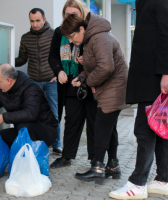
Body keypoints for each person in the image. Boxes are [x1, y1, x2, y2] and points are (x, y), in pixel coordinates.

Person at [109, 0, 168, 199]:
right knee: (160, 128)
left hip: (155, 76)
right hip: (151, 74)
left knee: (144, 129)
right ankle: (164, 180)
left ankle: (137, 183)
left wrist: (167, 72)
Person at [61, 13, 129, 184]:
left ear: (82, 29)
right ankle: (113, 166)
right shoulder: (91, 39)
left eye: (72, 36)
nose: (71, 41)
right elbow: (95, 65)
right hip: (109, 88)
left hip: (114, 88)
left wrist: (88, 81)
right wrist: (83, 77)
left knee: (100, 127)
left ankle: (97, 167)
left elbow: (106, 67)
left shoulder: (99, 38)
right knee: (109, 127)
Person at [49, 0, 98, 170]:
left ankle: (95, 159)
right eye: (67, 14)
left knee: (93, 123)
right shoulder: (58, 32)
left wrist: (87, 61)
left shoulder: (90, 31)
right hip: (69, 86)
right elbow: (53, 56)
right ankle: (67, 156)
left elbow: (98, 56)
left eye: (74, 15)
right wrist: (58, 71)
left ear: (82, 14)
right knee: (71, 122)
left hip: (90, 84)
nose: (70, 17)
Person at [15, 8, 62, 154]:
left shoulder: (55, 34)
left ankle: (56, 144)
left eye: (38, 21)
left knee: (53, 113)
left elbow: (63, 55)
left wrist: (60, 71)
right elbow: (21, 59)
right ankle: (40, 142)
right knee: (34, 113)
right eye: (32, 21)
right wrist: (4, 58)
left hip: (52, 81)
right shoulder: (25, 38)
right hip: (34, 82)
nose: (35, 24)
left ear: (44, 20)